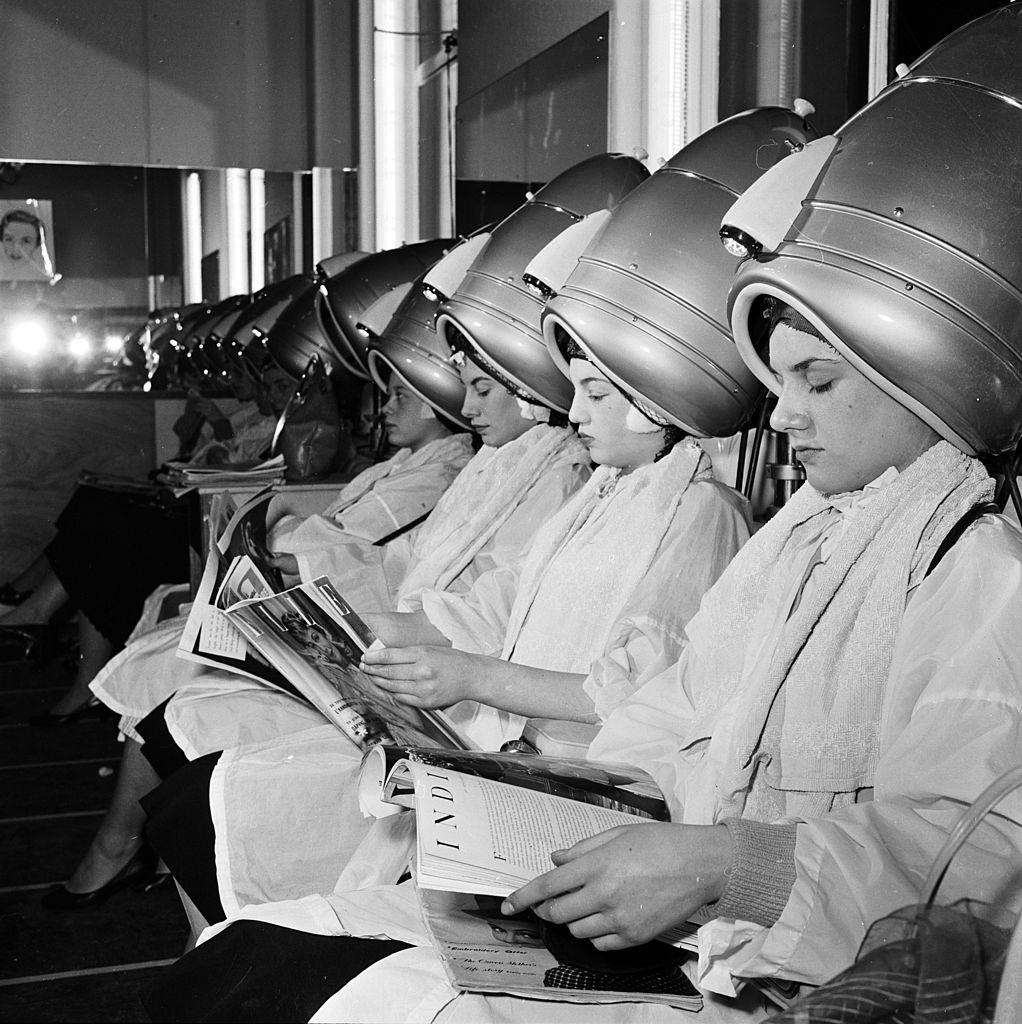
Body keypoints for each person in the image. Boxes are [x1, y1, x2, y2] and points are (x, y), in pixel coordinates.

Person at [139, 328, 749, 934]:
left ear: (655, 404)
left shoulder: (701, 512)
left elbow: (632, 695)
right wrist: (328, 626)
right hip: (495, 739)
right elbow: (487, 609)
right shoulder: (600, 492)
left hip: (575, 786)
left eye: (593, 393)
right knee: (192, 806)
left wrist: (474, 677)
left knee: (209, 810)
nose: (572, 412)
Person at [41, 320, 589, 910]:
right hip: (401, 645)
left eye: (482, 390)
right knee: (177, 709)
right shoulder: (493, 464)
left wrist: (333, 606)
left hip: (446, 687)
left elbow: (463, 598)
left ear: (531, 392)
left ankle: (130, 858)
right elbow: (409, 560)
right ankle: (126, 852)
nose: (467, 404)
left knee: (192, 742)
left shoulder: (551, 474)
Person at [0, 355, 285, 719]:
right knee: (94, 509)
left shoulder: (282, 427)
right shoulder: (249, 415)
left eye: (280, 387)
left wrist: (216, 424)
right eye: (265, 383)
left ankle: (38, 614)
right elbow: (192, 457)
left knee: (105, 530)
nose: (267, 393)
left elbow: (240, 472)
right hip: (193, 507)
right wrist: (193, 429)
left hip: (209, 527)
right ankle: (33, 605)